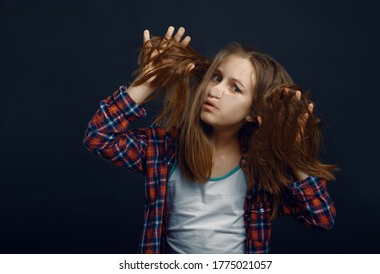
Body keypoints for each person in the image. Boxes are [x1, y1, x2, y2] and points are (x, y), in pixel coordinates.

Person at [83, 26, 337, 254]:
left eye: (235, 88)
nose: (215, 90)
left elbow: (321, 219)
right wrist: (149, 82)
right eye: (217, 78)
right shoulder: (164, 148)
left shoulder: (262, 168)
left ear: (253, 112)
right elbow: (99, 136)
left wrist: (294, 153)